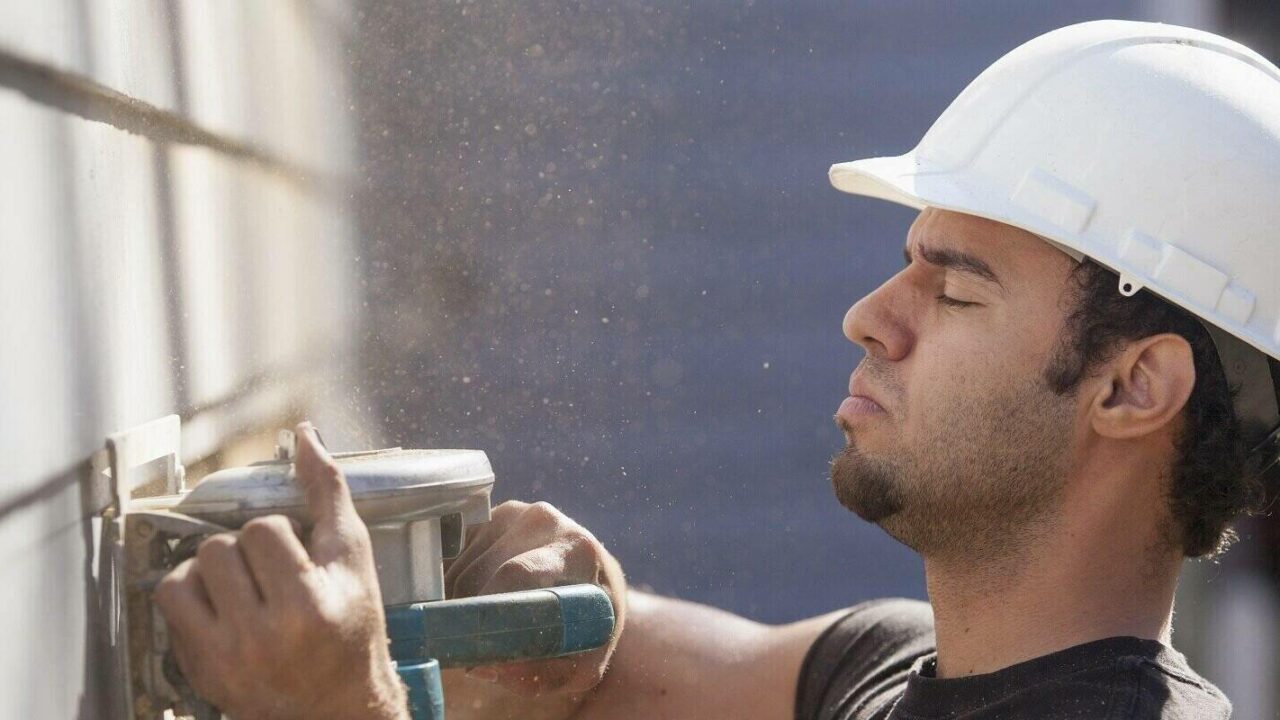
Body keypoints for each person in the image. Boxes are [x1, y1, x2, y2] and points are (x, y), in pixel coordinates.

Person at [156, 19, 1280, 720]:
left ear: (1131, 389)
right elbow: (597, 665)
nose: (868, 319)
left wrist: (340, 712)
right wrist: (570, 600)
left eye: (955, 289)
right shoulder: (889, 673)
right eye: (903, 267)